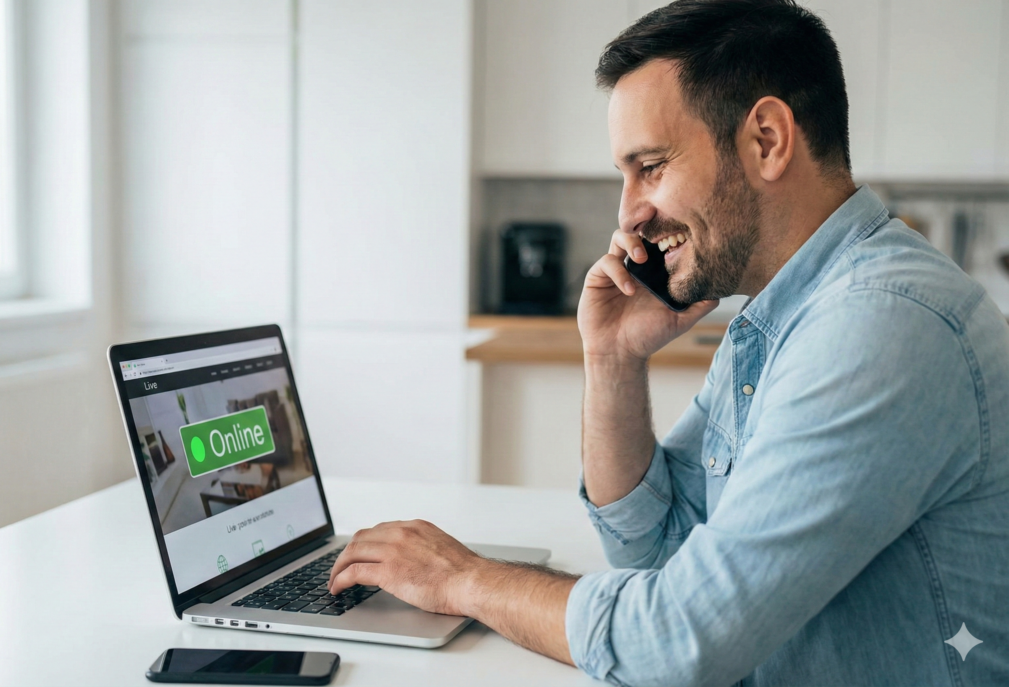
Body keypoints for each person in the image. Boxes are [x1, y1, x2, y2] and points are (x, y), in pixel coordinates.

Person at [328, 1, 1009, 684]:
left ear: (767, 140)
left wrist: (464, 579)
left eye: (650, 165)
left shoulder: (879, 325)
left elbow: (679, 641)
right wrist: (613, 358)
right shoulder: (783, 315)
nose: (628, 214)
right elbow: (656, 547)